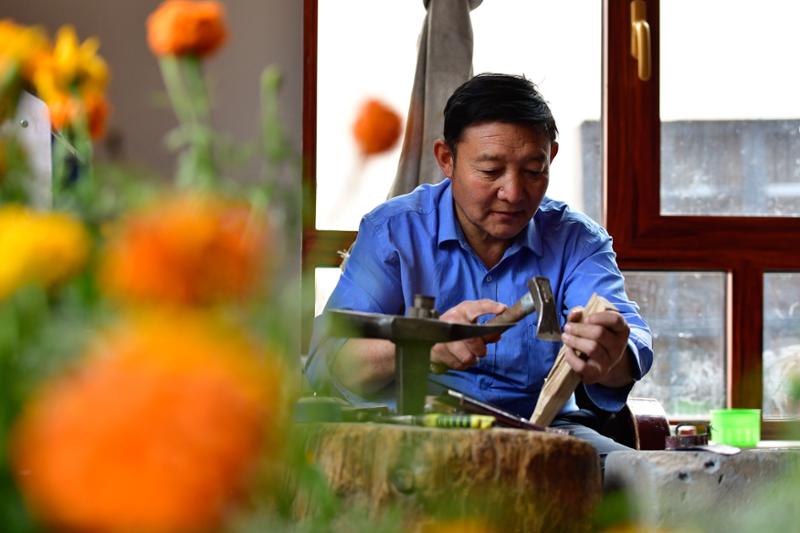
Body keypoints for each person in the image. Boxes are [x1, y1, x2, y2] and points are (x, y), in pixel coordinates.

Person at [305, 73, 653, 457]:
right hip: (414, 431)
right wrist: (422, 348)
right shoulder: (393, 232)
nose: (514, 193)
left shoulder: (577, 240)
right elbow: (328, 359)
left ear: (551, 157)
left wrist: (609, 353)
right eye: (490, 171)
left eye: (533, 171)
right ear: (446, 159)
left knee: (637, 478)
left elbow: (629, 342)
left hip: (543, 432)